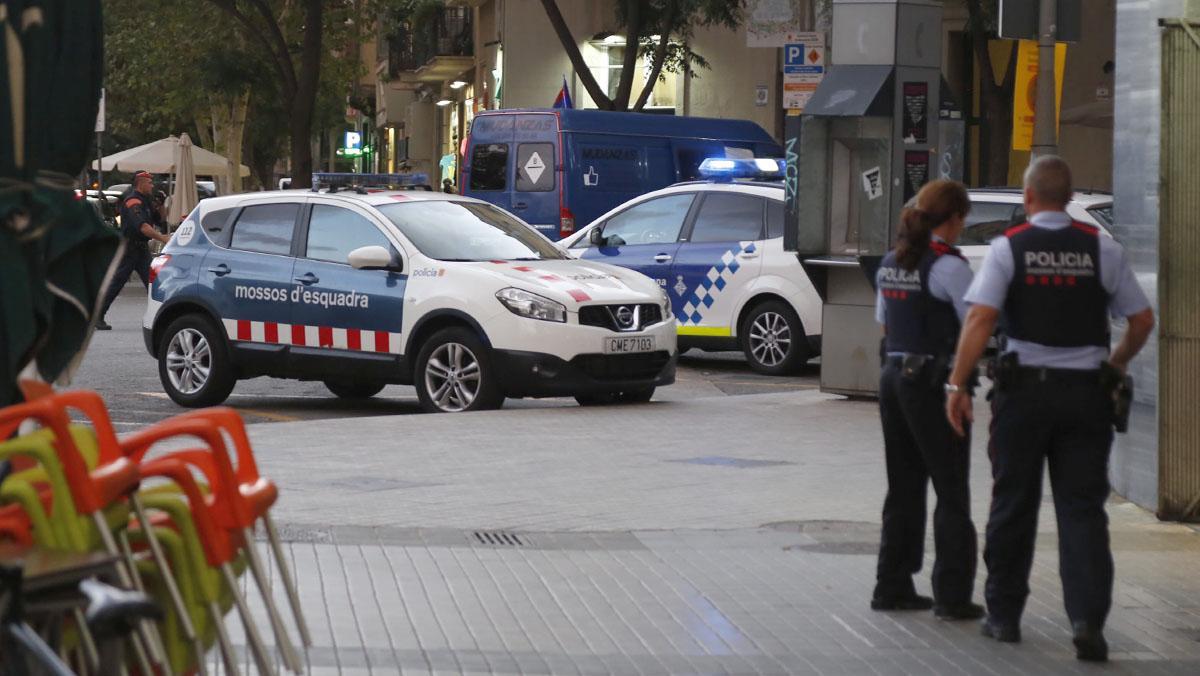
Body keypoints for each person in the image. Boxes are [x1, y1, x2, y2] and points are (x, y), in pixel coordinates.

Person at [945, 156, 1155, 662]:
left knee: (1013, 503)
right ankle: (1087, 622)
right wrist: (1117, 364)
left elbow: (979, 321)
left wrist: (956, 385)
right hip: (1087, 397)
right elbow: (1142, 320)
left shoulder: (1007, 248)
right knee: (1082, 511)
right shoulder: (1103, 251)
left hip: (1024, 397)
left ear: (1029, 196)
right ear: (1066, 198)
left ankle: (1004, 617)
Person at [871, 179, 984, 620]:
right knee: (951, 487)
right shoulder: (949, 267)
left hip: (893, 378)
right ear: (953, 219)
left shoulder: (890, 261)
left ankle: (892, 585)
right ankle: (953, 595)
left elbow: (885, 324)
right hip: (934, 383)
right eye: (962, 220)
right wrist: (960, 384)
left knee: (903, 485)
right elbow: (975, 326)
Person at [96, 170, 170, 330]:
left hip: (141, 249)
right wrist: (163, 238)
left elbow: (161, 220)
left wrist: (162, 204)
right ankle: (97, 315)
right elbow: (143, 227)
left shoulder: (146, 201)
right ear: (141, 183)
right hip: (129, 248)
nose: (152, 185)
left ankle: (164, 317)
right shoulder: (133, 202)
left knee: (154, 283)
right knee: (116, 283)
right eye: (149, 183)